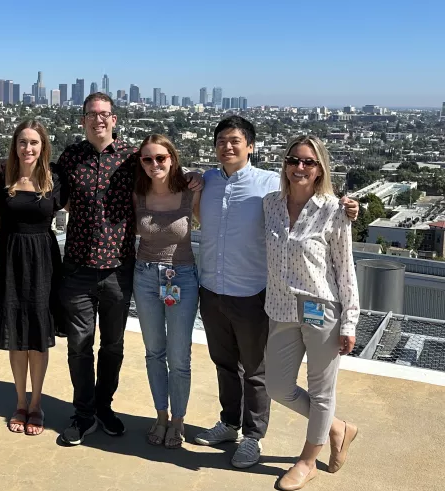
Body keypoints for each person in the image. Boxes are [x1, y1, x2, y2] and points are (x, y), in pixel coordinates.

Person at [193, 116, 359, 469]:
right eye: (221, 140)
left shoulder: (269, 185)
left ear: (251, 146)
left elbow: (343, 262)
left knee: (256, 370)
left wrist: (351, 208)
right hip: (214, 289)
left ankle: (253, 436)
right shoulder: (207, 181)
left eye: (236, 140)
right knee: (225, 363)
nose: (228, 146)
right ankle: (229, 423)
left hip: (254, 293)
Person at [55, 93, 203, 446]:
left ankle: (103, 407)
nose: (98, 120)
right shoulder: (70, 157)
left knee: (113, 346)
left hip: (119, 269)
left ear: (115, 119)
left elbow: (163, 175)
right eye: (92, 115)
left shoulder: (131, 159)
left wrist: (195, 178)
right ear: (83, 121)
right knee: (79, 345)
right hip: (77, 267)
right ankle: (83, 412)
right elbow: (49, 191)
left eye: (104, 114)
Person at [263, 135, 359, 491]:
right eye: (293, 160)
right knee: (277, 386)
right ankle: (337, 428)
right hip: (281, 308)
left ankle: (307, 460)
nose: (299, 167)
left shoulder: (335, 209)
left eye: (308, 162)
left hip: (322, 308)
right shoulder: (270, 204)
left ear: (320, 170)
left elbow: (345, 269)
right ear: (285, 165)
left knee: (322, 391)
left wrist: (349, 321)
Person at [0, 120, 64, 437]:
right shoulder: (1, 176)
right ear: (15, 145)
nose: (28, 148)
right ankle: (19, 402)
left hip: (43, 261)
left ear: (43, 146)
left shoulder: (54, 180)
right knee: (15, 330)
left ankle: (36, 404)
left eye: (34, 142)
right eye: (23, 142)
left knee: (37, 333)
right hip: (9, 258)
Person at [131, 134, 201, 449]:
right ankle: (160, 416)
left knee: (179, 356)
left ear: (172, 158)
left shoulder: (191, 192)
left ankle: (178, 420)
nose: (155, 164)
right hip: (145, 276)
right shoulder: (137, 194)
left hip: (181, 277)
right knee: (154, 353)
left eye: (161, 157)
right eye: (147, 159)